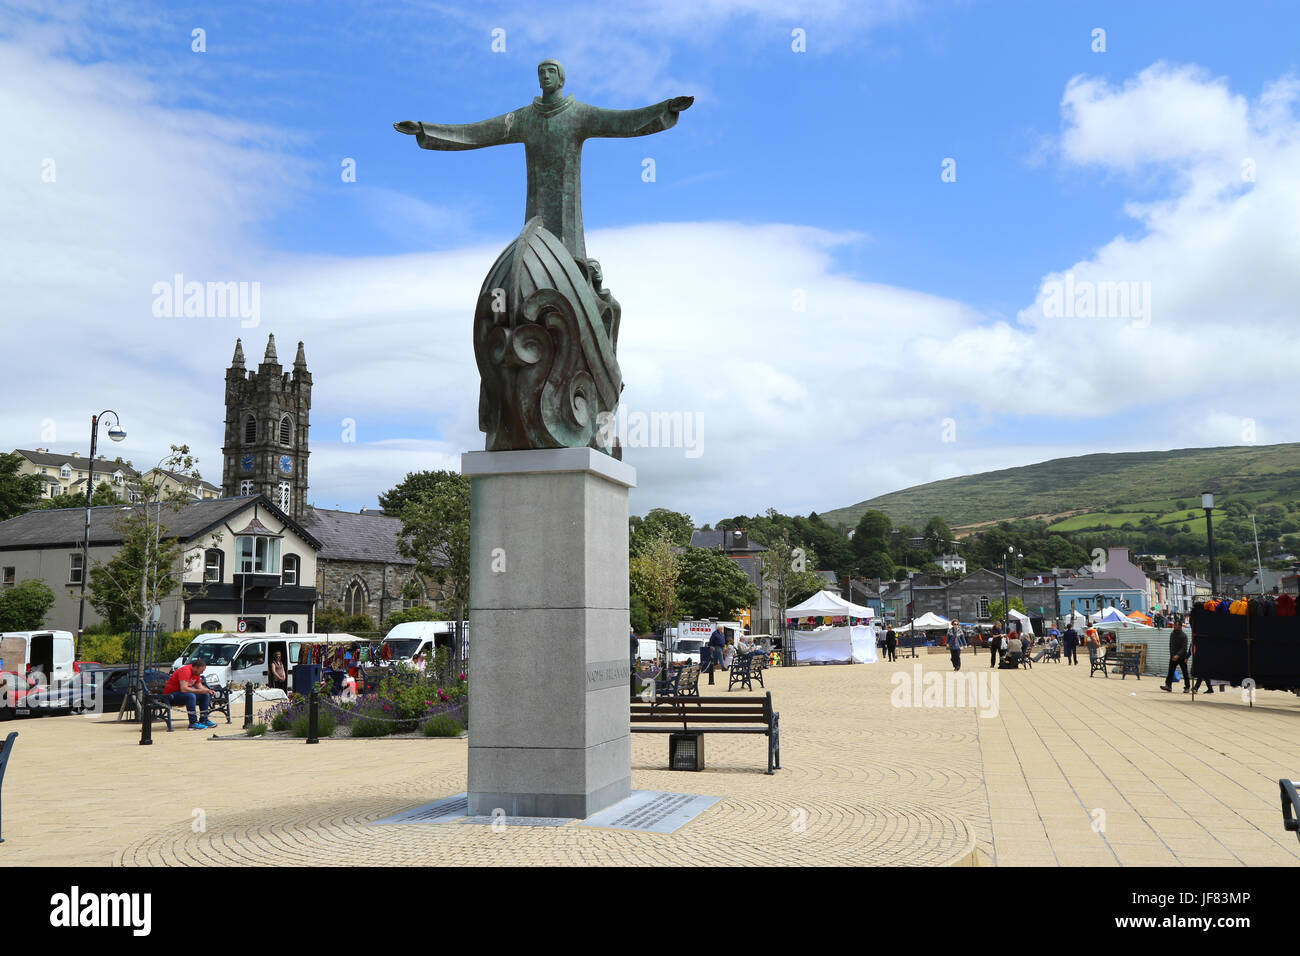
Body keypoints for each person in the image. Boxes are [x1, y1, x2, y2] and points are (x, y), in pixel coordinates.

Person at [163, 658, 216, 729]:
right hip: (171, 695)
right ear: (196, 667)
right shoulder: (185, 671)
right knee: (191, 696)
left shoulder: (196, 673)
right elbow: (184, 689)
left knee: (205, 694)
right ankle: (193, 723)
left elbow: (199, 686)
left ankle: (204, 720)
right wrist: (200, 691)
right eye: (201, 670)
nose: (202, 673)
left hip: (181, 694)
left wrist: (208, 690)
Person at [1162, 624, 1190, 692]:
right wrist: (1172, 655)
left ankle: (1187, 687)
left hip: (1182, 657)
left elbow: (1184, 648)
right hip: (1173, 657)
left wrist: (1178, 655)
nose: (1174, 626)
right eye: (1174, 625)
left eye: (1176, 625)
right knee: (1170, 672)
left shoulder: (1184, 636)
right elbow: (1171, 645)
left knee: (1185, 672)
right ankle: (1168, 686)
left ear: (1180, 627)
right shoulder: (1172, 634)